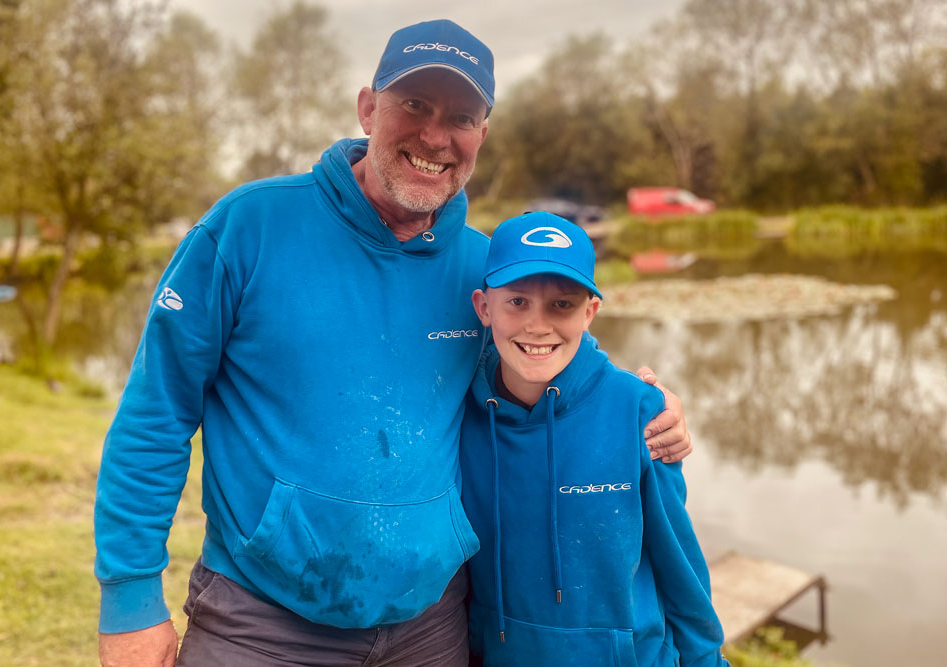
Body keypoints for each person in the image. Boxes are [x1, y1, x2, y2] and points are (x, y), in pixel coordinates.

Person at [94, 19, 692, 667]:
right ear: (367, 107)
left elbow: (536, 374)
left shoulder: (484, 267)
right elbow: (156, 412)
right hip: (261, 620)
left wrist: (639, 404)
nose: (436, 136)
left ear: (481, 136)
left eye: (461, 116)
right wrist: (130, 598)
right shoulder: (247, 227)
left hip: (429, 625)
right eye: (414, 104)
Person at [460, 212, 727, 666]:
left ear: (590, 311)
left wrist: (706, 659)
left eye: (561, 305)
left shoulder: (639, 411)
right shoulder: (459, 414)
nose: (537, 326)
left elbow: (680, 565)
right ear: (485, 307)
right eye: (517, 302)